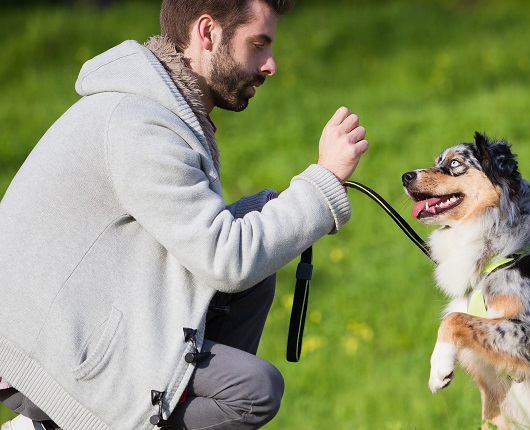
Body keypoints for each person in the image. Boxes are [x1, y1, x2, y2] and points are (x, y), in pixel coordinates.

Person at [0, 0, 368, 428]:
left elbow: (200, 245)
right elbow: (228, 260)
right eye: (258, 45)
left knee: (256, 276)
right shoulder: (140, 126)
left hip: (88, 320)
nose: (270, 65)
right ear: (208, 33)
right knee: (253, 391)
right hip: (47, 353)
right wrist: (321, 186)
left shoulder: (161, 110)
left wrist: (268, 211)